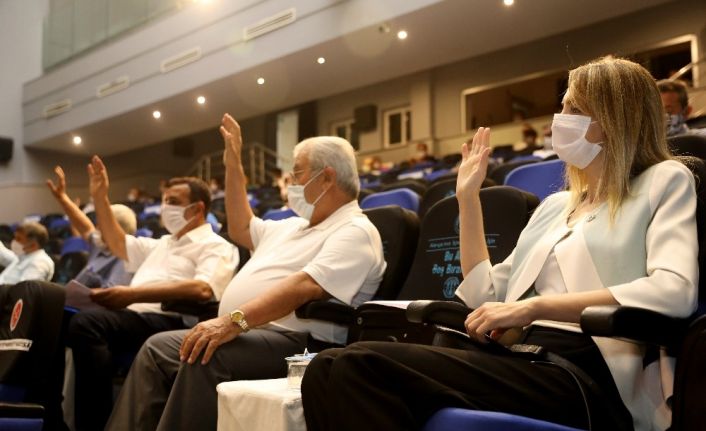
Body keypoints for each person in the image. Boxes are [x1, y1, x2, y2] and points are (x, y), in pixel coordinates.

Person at [301, 57, 698, 431]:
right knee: (326, 368)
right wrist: (468, 200)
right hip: (519, 358)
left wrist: (534, 307)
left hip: (588, 372)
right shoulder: (556, 206)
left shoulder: (663, 180)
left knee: (358, 366)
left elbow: (674, 292)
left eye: (575, 110)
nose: (561, 120)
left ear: (614, 118)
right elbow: (485, 295)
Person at [105, 114, 386, 431]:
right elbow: (239, 226)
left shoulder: (356, 230)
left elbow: (304, 286)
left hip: (300, 344)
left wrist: (233, 320)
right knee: (157, 349)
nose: (289, 183)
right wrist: (233, 161)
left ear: (327, 177)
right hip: (253, 333)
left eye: (297, 175)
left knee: (206, 354)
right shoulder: (291, 226)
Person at [66, 158, 238, 431]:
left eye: (173, 200)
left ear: (197, 208)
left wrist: (134, 294)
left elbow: (204, 289)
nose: (164, 206)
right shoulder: (162, 243)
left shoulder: (215, 245)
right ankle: (51, 412)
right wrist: (100, 197)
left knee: (88, 324)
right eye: (164, 199)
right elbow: (117, 241)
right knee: (59, 315)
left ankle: (95, 423)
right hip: (133, 315)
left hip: (169, 319)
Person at [47, 165, 135, 287]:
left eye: (102, 225)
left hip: (85, 305)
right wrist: (62, 197)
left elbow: (111, 295)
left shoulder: (126, 259)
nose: (97, 228)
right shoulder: (101, 245)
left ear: (116, 229)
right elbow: (85, 227)